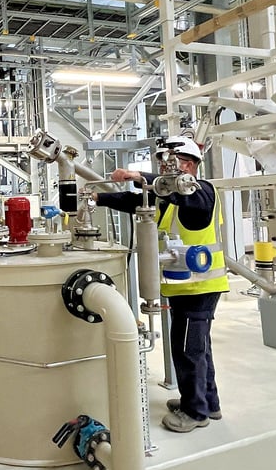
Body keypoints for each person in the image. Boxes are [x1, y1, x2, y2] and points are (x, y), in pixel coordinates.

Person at [91, 136, 229, 433]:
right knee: (198, 347)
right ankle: (208, 403)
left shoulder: (201, 191)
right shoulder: (170, 196)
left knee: (187, 350)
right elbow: (134, 201)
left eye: (170, 163)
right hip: (184, 286)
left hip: (199, 287)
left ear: (189, 165)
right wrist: (97, 198)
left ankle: (195, 413)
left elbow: (182, 191)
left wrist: (137, 175)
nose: (164, 170)